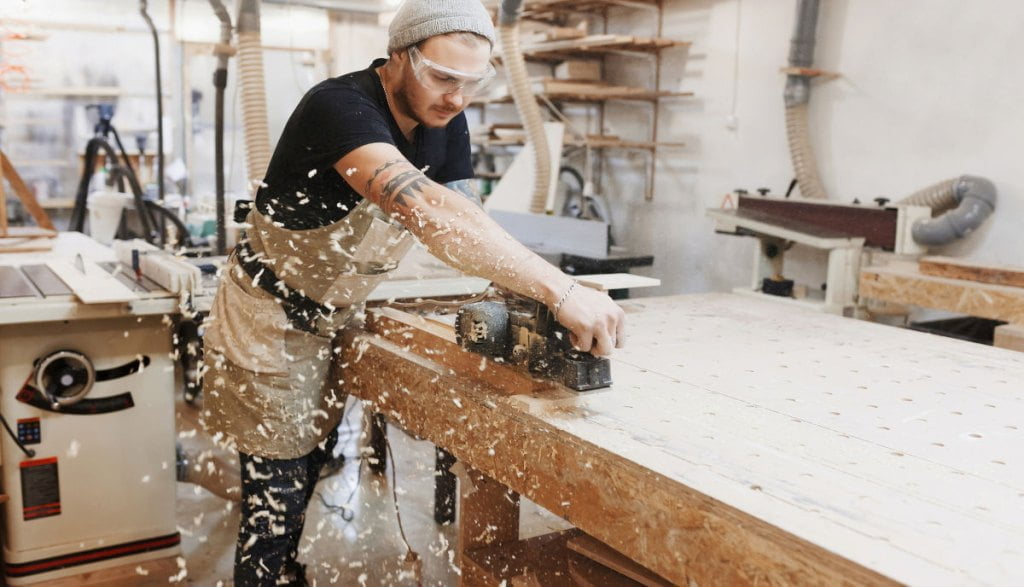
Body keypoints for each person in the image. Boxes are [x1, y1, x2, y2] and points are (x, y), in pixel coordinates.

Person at [201, 0, 626, 584]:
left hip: (338, 311)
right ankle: (265, 575)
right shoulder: (340, 107)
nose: (456, 98)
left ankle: (286, 571)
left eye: (471, 84)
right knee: (277, 491)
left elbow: (464, 215)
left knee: (317, 454)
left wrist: (517, 291)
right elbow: (427, 209)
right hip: (270, 315)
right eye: (443, 78)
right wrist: (559, 289)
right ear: (400, 57)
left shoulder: (445, 120)